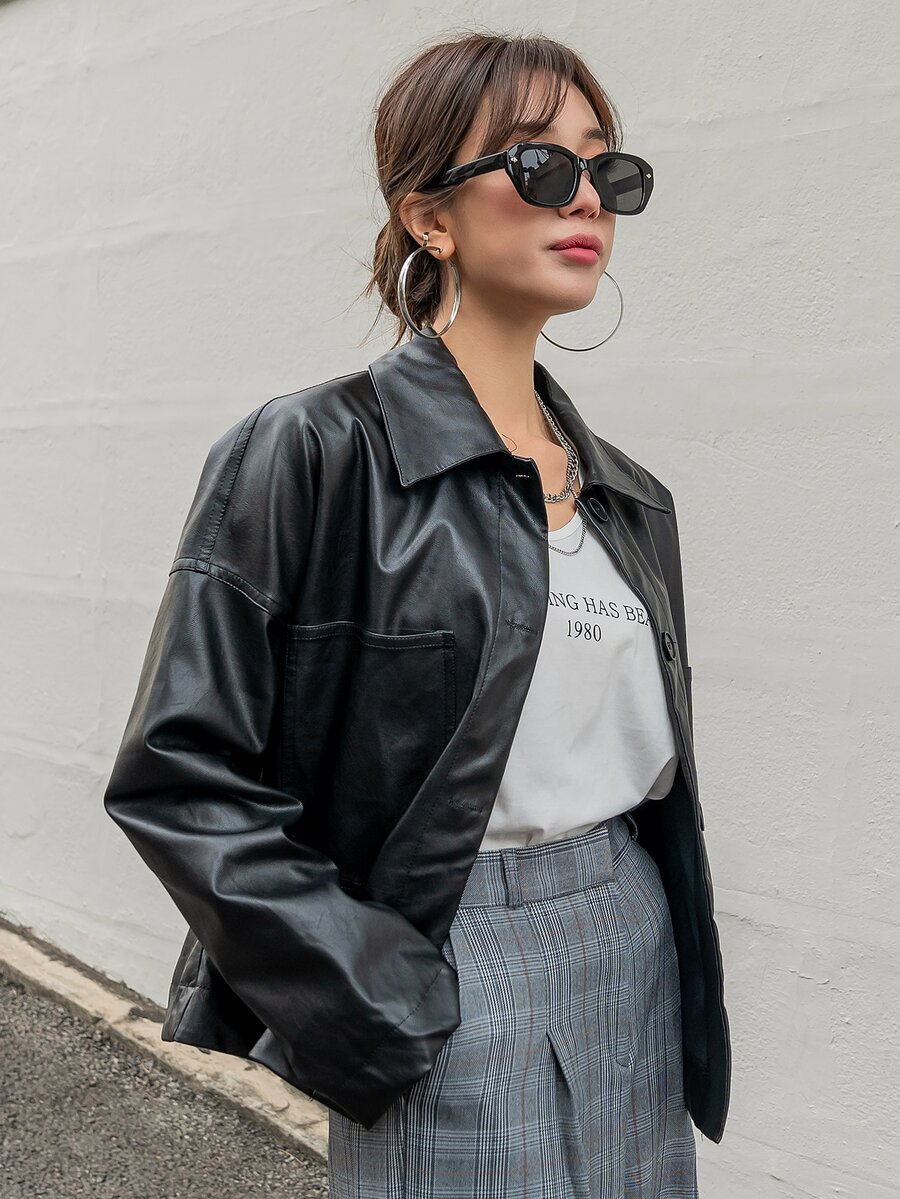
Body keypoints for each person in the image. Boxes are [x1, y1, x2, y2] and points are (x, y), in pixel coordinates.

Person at [103, 30, 731, 1199]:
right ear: (429, 216)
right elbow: (179, 775)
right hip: (440, 952)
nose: (586, 196)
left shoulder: (630, 496)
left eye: (606, 167)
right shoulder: (312, 452)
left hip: (632, 943)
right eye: (540, 163)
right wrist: (370, 986)